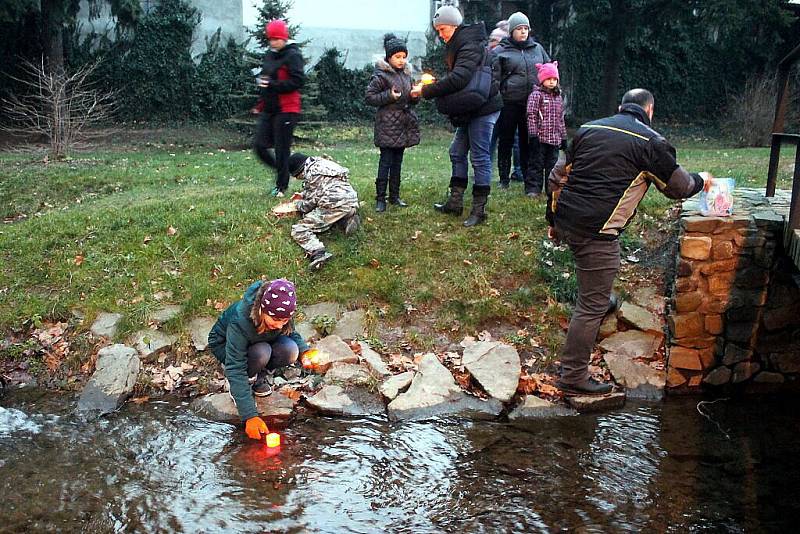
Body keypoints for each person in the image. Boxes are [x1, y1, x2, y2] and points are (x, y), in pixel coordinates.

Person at [547, 89, 713, 395]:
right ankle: (572, 376)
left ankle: (601, 297)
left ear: (621, 106)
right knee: (590, 304)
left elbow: (557, 175)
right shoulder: (652, 143)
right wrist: (702, 179)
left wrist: (552, 219)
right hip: (597, 231)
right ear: (649, 110)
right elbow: (680, 188)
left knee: (595, 279)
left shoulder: (589, 129)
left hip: (567, 219)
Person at [413, 5, 503, 227]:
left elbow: (460, 79)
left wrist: (426, 91)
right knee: (456, 152)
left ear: (454, 25)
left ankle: (479, 210)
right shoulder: (461, 43)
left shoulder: (468, 44)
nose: (440, 34)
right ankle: (455, 202)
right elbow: (460, 76)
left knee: (480, 157)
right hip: (470, 107)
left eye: (442, 29)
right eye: (438, 30)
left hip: (484, 108)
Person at [208, 278, 311, 440]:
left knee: (291, 350)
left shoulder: (281, 313)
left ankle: (259, 375)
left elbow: (291, 333)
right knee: (262, 352)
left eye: (284, 321)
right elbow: (235, 367)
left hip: (259, 341)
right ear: (263, 310)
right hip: (225, 345)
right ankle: (246, 382)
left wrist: (305, 352)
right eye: (276, 320)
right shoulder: (240, 320)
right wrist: (250, 416)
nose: (279, 325)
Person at [493, 12, 550, 190]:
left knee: (529, 141)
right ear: (511, 32)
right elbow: (494, 78)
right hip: (508, 103)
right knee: (506, 141)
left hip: (532, 104)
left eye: (526, 28)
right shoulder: (500, 51)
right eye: (519, 29)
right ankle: (503, 179)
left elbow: (549, 70)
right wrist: (498, 97)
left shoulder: (537, 49)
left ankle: (527, 177)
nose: (523, 32)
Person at [365, 33, 421, 212]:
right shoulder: (381, 75)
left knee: (398, 162)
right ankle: (380, 198)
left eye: (404, 57)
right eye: (398, 57)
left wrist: (414, 96)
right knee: (386, 162)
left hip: (402, 125)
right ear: (389, 57)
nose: (402, 60)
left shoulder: (406, 75)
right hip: (387, 125)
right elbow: (370, 96)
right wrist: (388, 96)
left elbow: (410, 99)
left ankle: (394, 196)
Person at [254, 20, 306, 198]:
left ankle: (281, 186)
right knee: (259, 146)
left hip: (287, 108)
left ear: (284, 37)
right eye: (270, 38)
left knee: (281, 149)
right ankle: (287, 169)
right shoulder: (269, 54)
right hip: (269, 108)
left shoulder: (293, 55)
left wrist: (273, 84)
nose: (273, 42)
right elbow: (266, 79)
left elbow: (298, 81)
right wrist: (260, 104)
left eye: (277, 38)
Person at [287, 152, 360, 270]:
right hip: (350, 199)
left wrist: (296, 205)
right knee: (333, 210)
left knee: (299, 229)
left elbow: (308, 204)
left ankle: (318, 253)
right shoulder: (321, 164)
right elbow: (322, 187)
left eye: (296, 176)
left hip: (335, 204)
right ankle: (347, 217)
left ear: (299, 171)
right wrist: (303, 194)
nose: (297, 178)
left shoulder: (311, 175)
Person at [526, 61, 567, 197]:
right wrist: (533, 134)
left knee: (552, 166)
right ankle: (533, 189)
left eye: (554, 79)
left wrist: (564, 136)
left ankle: (550, 189)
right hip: (540, 137)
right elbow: (531, 115)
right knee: (536, 165)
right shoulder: (536, 95)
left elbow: (561, 119)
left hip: (554, 139)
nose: (551, 82)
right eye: (548, 79)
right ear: (542, 80)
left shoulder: (558, 97)